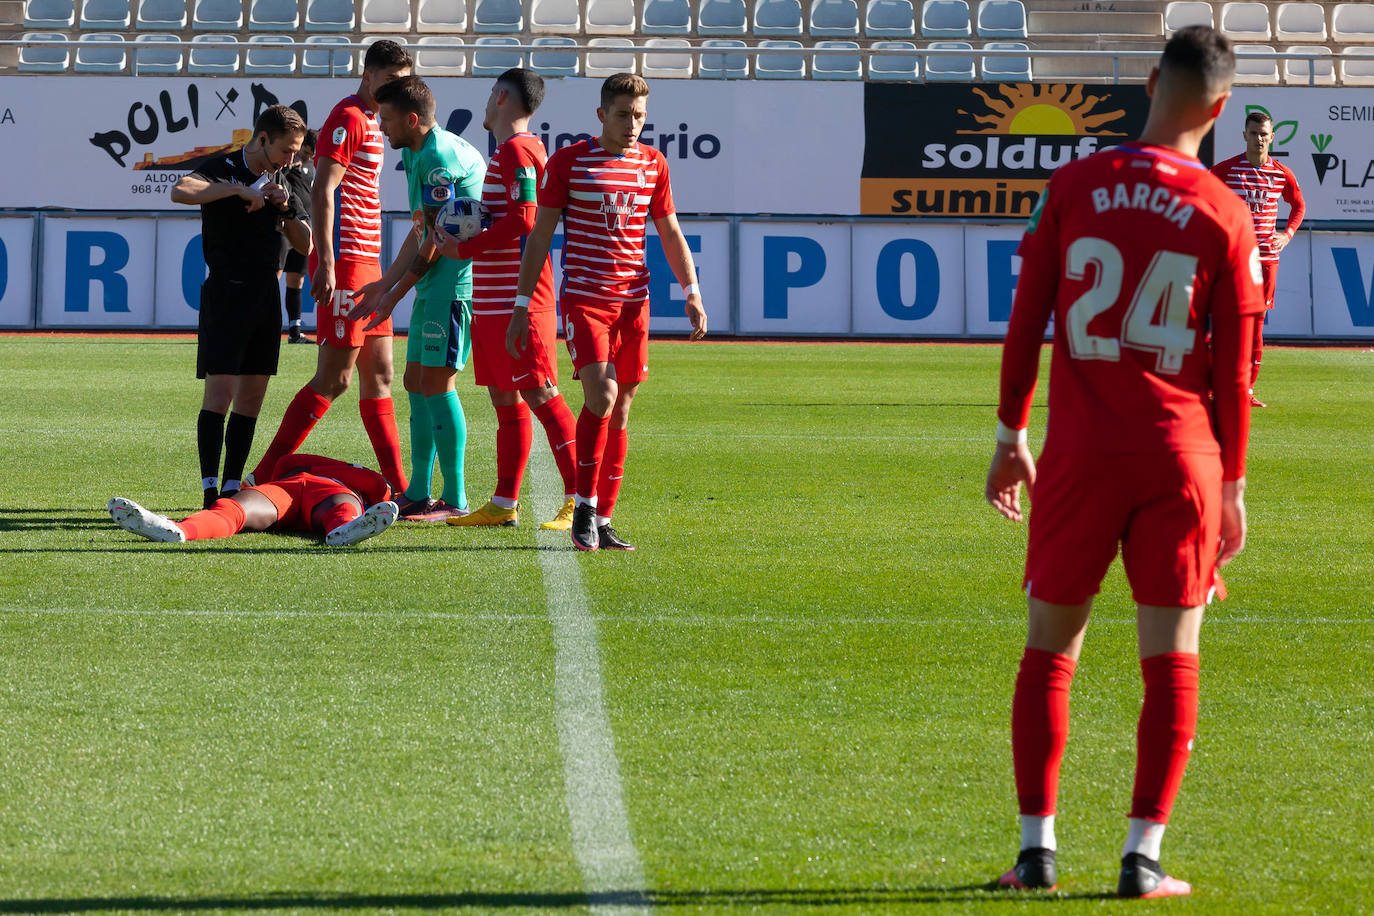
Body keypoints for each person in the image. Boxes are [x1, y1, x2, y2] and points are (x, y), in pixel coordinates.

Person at [983, 26, 1264, 899]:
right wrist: (1233, 485)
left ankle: (1036, 852)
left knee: (1049, 651)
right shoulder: (1226, 211)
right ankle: (1142, 858)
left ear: (1149, 82)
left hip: (1080, 455)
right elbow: (1235, 372)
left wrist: (1010, 435)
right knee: (1172, 658)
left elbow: (1026, 318)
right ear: (1222, 107)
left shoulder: (1075, 185)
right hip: (1182, 457)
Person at [510, 73, 708, 551]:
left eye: (639, 115)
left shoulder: (654, 164)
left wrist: (692, 290)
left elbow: (670, 231)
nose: (632, 123)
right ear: (601, 115)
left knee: (621, 407)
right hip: (586, 299)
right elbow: (540, 235)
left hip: (634, 302)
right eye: (623, 114)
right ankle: (583, 504)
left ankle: (604, 519)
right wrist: (521, 303)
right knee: (601, 394)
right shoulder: (569, 162)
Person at [249, 40, 413, 497]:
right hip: (347, 261)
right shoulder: (348, 117)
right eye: (390, 80)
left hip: (369, 263)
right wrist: (325, 261)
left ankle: (401, 490)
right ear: (368, 75)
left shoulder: (374, 120)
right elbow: (323, 189)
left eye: (403, 83)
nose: (396, 89)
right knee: (335, 378)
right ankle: (260, 476)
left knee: (380, 376)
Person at [430, 69, 580, 531]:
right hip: (494, 298)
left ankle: (580, 499)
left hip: (520, 300)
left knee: (540, 392)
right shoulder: (513, 151)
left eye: (489, 94)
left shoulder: (518, 150)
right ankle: (503, 502)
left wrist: (465, 248)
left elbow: (526, 218)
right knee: (505, 396)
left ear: (499, 96)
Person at [347, 75, 487, 521]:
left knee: (438, 384)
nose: (381, 127)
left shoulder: (438, 158)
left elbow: (435, 243)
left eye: (387, 119)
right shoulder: (416, 152)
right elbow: (422, 227)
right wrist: (384, 284)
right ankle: (418, 491)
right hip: (433, 287)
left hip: (452, 288)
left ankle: (455, 499)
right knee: (414, 381)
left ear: (411, 119)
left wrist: (393, 296)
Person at [171, 105, 311, 510]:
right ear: (263, 139)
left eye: (296, 151)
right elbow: (181, 190)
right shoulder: (225, 166)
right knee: (219, 395)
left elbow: (306, 245)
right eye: (286, 150)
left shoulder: (287, 178)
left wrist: (284, 209)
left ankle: (232, 488)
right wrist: (237, 190)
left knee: (251, 399)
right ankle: (209, 490)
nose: (291, 158)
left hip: (265, 297)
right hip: (226, 293)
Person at [1210, 110, 1306, 407]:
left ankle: (1247, 390)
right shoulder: (1226, 170)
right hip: (1234, 260)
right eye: (1254, 133)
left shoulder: (1281, 173)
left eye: (1264, 134)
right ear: (1244, 135)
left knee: (1256, 325)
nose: (1259, 139)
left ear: (1272, 137)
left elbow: (1298, 205)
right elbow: (1203, 198)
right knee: (1226, 323)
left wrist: (1287, 234)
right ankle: (1214, 386)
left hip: (1266, 260)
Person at [108, 453, 398, 547]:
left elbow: (287, 463)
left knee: (233, 510)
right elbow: (380, 486)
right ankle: (175, 529)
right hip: (301, 489)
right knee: (231, 508)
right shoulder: (373, 484)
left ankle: (346, 529)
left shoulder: (369, 484)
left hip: (296, 488)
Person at [278, 128, 317, 345]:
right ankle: (260, 325)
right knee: (273, 275)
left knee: (297, 279)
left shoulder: (314, 166)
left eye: (311, 153)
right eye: (306, 151)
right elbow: (273, 179)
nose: (307, 155)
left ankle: (295, 331)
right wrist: (287, 167)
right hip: (285, 226)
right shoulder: (286, 163)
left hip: (304, 226)